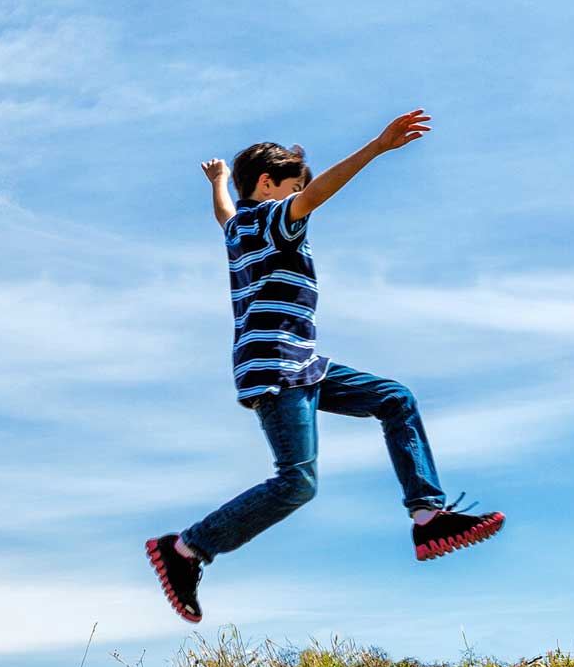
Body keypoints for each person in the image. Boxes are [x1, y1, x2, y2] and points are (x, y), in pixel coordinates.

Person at [147, 110, 505, 624]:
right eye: (293, 189)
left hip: (303, 364)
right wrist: (377, 147)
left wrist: (219, 181)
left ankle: (428, 515)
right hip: (278, 368)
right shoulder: (273, 220)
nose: (300, 201)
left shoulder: (238, 227)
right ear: (267, 185)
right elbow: (316, 195)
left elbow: (224, 211)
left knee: (395, 398)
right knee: (297, 481)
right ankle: (185, 549)